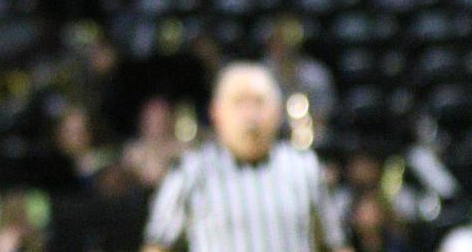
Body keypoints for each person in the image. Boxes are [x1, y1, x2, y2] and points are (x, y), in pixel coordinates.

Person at [141, 63, 351, 252]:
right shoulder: (192, 171)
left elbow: (335, 243)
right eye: (239, 102)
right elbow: (158, 244)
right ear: (216, 112)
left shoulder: (304, 168)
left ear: (278, 111)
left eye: (259, 102)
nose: (250, 116)